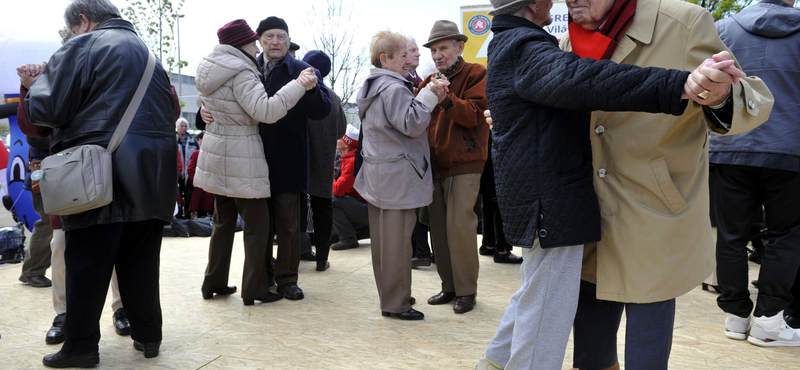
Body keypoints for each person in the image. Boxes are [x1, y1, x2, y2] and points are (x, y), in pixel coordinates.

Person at [474, 0, 769, 368]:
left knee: (645, 351)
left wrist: (717, 92)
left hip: (651, 213)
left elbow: (749, 99)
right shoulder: (563, 42)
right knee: (591, 356)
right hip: (581, 216)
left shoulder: (684, 21)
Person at [22, 0, 181, 366]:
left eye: (73, 29)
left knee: (87, 264)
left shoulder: (83, 45)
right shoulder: (149, 55)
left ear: (83, 20)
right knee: (140, 262)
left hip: (97, 173)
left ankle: (80, 348)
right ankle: (148, 337)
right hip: (152, 174)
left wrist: (33, 86)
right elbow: (169, 111)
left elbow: (47, 112)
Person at [194, 19, 317, 306]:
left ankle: (213, 282)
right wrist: (297, 86)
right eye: (256, 39)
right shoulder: (243, 71)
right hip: (242, 155)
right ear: (245, 43)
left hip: (215, 155)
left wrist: (204, 109)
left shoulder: (209, 67)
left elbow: (212, 101)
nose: (258, 44)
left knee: (222, 222)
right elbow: (266, 110)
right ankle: (255, 288)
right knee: (259, 224)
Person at [710, 0, 800, 346]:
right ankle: (768, 320)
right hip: (789, 149)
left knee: (731, 233)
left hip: (732, 144)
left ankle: (735, 318)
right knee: (786, 234)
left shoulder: (723, 29)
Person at [355, 30, 448, 321]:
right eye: (403, 54)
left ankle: (391, 295)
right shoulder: (394, 88)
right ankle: (397, 303)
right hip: (397, 174)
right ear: (386, 59)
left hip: (379, 173)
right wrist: (430, 97)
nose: (410, 57)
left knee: (384, 243)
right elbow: (412, 123)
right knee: (397, 243)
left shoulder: (373, 86)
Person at [256, 16, 331, 300]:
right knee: (259, 225)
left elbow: (322, 111)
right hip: (253, 158)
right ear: (259, 40)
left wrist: (311, 90)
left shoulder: (303, 70)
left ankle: (287, 278)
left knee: (288, 225)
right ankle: (260, 276)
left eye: (281, 37)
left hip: (289, 158)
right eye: (269, 37)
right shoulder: (248, 69)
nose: (276, 42)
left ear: (288, 40)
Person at [418, 20, 489, 315]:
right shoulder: (429, 81)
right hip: (435, 165)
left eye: (443, 47)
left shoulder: (476, 73)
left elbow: (475, 114)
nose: (437, 55)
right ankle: (449, 287)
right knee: (439, 230)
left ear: (460, 47)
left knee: (459, 228)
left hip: (465, 162)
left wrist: (446, 99)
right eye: (434, 49)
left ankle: (467, 291)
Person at [301, 50, 348, 271]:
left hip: (299, 157)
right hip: (324, 157)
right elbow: (341, 131)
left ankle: (297, 253)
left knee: (295, 207)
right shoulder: (333, 97)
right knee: (323, 208)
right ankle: (322, 258)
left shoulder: (296, 92)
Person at [478, 138, 521, 264]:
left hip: (484, 157)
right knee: (500, 205)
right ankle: (502, 250)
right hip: (496, 160)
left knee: (487, 202)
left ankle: (488, 244)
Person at [18, 136, 53, 288]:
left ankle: (33, 270)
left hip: (50, 172)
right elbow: (35, 138)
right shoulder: (37, 113)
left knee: (50, 224)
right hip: (45, 174)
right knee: (48, 223)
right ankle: (33, 271)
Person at [331, 125, 370, 250]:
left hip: (364, 208)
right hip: (361, 207)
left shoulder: (352, 161)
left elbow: (338, 191)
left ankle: (348, 238)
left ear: (346, 144)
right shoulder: (349, 158)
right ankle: (365, 231)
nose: (336, 139)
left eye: (339, 138)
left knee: (330, 200)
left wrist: (328, 178)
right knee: (331, 237)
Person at [176, 117, 199, 219]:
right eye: (182, 126)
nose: (184, 128)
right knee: (178, 195)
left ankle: (188, 215)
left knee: (190, 195)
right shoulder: (173, 140)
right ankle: (179, 215)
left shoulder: (193, 141)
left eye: (185, 126)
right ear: (177, 127)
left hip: (190, 174)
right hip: (178, 174)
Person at [187, 132, 214, 218]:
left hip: (210, 187)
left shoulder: (212, 154)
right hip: (200, 187)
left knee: (210, 211)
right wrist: (196, 182)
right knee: (201, 211)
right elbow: (191, 169)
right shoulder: (196, 153)